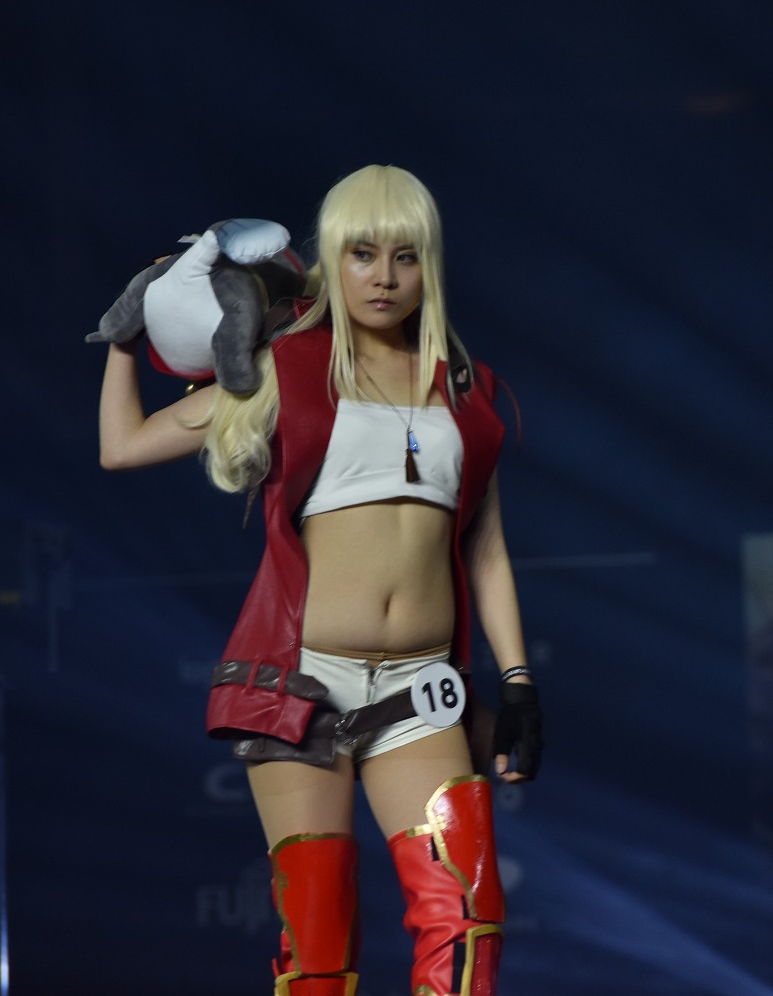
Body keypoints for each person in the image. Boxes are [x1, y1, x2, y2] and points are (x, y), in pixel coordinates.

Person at [97, 164, 542, 995]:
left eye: (405, 256)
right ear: (332, 259)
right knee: (318, 950)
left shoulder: (464, 389)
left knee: (467, 921)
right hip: (301, 689)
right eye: (363, 254)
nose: (384, 277)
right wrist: (126, 334)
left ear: (429, 265)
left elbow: (485, 547)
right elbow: (121, 448)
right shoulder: (287, 369)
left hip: (420, 691)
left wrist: (516, 682)